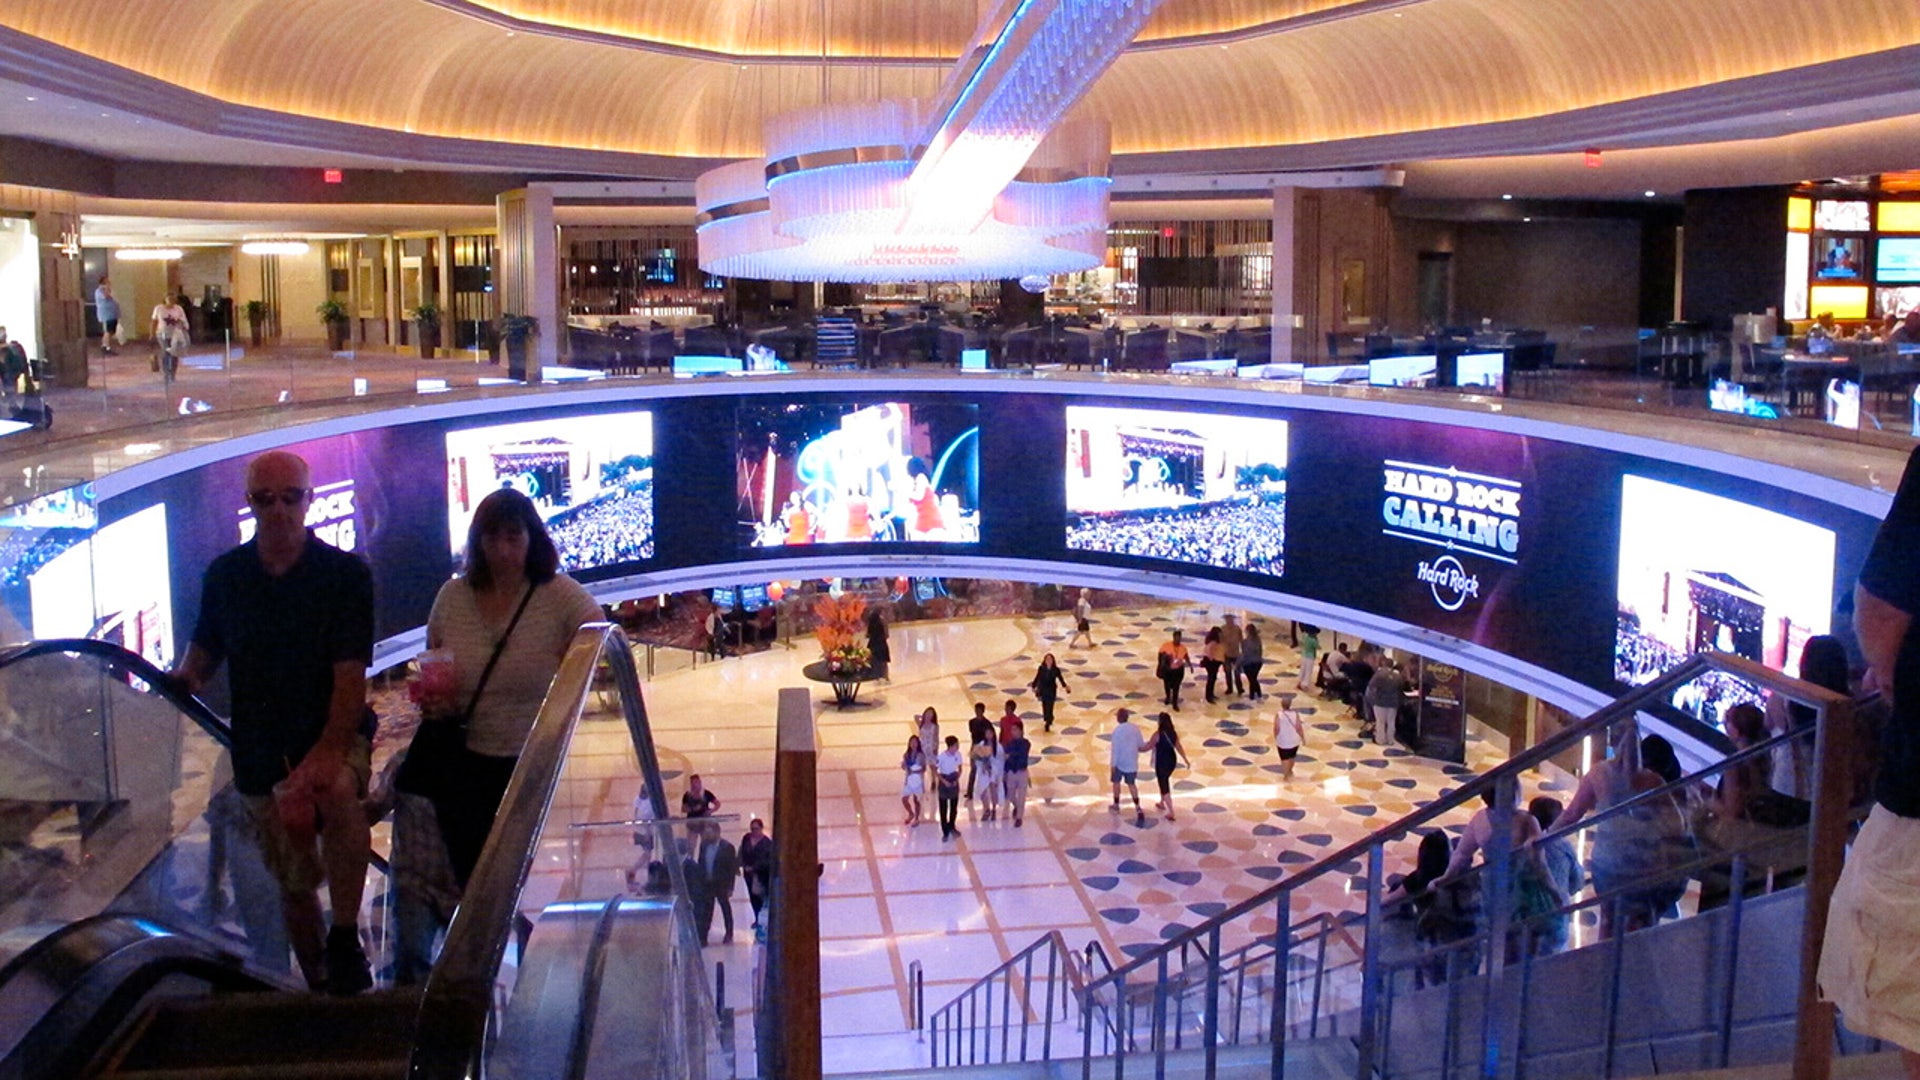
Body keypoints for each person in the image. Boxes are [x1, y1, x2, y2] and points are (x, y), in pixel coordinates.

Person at [171, 450, 376, 994]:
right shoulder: (226, 576)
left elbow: (350, 676)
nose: (279, 510)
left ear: (309, 500)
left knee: (336, 790)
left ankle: (346, 935)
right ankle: (320, 990)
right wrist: (187, 677)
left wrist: (329, 751)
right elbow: (206, 648)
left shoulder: (344, 576)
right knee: (292, 883)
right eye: (266, 499)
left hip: (328, 733)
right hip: (263, 752)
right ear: (250, 504)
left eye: (291, 497)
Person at [421, 488, 602, 888]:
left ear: (531, 539)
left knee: (512, 874)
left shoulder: (556, 595)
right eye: (491, 538)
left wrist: (567, 686)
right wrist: (435, 698)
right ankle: (481, 947)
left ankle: (504, 943)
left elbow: (602, 638)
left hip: (527, 762)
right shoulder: (452, 598)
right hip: (463, 760)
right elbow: (433, 663)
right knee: (472, 877)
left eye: (513, 537)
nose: (502, 550)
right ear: (477, 541)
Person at [1558, 720, 1673, 939]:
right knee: (1639, 922)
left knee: (1608, 918)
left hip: (1608, 861)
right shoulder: (1653, 780)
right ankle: (1632, 964)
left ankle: (1604, 965)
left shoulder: (1598, 773)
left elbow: (1571, 815)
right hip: (1642, 861)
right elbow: (1673, 823)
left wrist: (1546, 836)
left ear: (1613, 739)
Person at [1765, 635, 1849, 800]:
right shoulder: (1848, 706)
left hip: (1786, 787)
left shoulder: (1782, 699)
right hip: (1828, 796)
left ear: (1805, 663)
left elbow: (1767, 726)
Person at [1529, 797, 1583, 954]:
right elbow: (1577, 882)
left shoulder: (1517, 845)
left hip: (1522, 913)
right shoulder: (1563, 847)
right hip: (1555, 916)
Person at [696, 825, 740, 944]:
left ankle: (729, 933)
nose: (707, 836)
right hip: (707, 883)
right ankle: (703, 935)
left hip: (721, 883)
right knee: (707, 910)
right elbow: (701, 863)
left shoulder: (727, 847)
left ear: (717, 832)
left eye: (710, 833)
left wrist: (730, 887)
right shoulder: (704, 846)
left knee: (725, 908)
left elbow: (731, 869)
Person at [1145, 712, 1192, 821]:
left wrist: (1136, 748)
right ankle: (1162, 802)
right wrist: (1185, 759)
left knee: (1163, 783)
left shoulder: (1157, 734)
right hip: (1171, 761)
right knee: (1164, 780)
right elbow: (1179, 747)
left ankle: (1171, 811)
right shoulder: (1173, 734)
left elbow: (1149, 746)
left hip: (1161, 762)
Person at [1109, 708, 1147, 826]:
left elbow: (1115, 750)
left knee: (1116, 783)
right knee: (1132, 785)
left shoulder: (1117, 731)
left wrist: (1113, 764)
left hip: (1120, 762)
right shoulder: (1135, 729)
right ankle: (1138, 807)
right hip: (1132, 762)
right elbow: (1141, 744)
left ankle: (1116, 804)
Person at [739, 819, 773, 929]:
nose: (754, 831)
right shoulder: (747, 839)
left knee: (762, 897)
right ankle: (757, 918)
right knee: (752, 897)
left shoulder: (767, 843)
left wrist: (754, 868)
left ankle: (764, 920)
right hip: (748, 875)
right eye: (752, 829)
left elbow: (767, 861)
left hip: (761, 875)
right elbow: (742, 852)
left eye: (756, 829)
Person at [1364, 659, 1406, 746]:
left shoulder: (1379, 674)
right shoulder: (1397, 676)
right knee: (1391, 721)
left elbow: (1371, 687)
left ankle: (1380, 740)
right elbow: (1401, 687)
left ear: (1383, 663)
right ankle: (1390, 740)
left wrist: (1371, 700)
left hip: (1380, 701)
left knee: (1380, 722)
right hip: (1393, 702)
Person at [151, 292, 189, 384]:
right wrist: (151, 333)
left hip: (175, 335)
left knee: (174, 354)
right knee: (166, 352)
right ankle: (166, 373)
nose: (171, 301)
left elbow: (183, 320)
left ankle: (172, 374)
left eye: (173, 300)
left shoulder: (178, 309)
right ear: (165, 299)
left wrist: (182, 325)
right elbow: (154, 321)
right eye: (169, 299)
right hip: (162, 334)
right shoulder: (158, 309)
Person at [1028, 653, 1071, 732]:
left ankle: (1048, 720)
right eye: (1047, 659)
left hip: (1051, 690)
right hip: (1043, 690)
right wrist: (1033, 686)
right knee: (1044, 705)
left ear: (1052, 660)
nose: (1048, 661)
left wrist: (1065, 687)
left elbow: (1061, 679)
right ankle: (1047, 718)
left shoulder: (1056, 669)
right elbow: (1037, 677)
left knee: (1050, 706)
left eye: (1050, 659)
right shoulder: (1041, 668)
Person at [1003, 721, 1033, 827]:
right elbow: (1005, 758)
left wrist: (1010, 755)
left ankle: (1019, 817)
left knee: (1022, 795)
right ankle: (1016, 806)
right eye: (1012, 730)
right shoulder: (1009, 744)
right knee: (1010, 795)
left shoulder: (1026, 743)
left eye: (1015, 729)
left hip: (1022, 771)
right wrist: (1005, 772)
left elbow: (1020, 753)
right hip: (1011, 771)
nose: (1012, 732)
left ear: (1020, 731)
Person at [936, 736, 964, 841]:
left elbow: (960, 767)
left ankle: (952, 826)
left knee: (953, 807)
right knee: (943, 808)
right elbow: (936, 770)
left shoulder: (958, 755)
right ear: (950, 746)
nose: (957, 747)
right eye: (956, 745)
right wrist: (944, 781)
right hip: (944, 779)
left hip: (953, 778)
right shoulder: (942, 756)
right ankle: (945, 831)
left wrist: (957, 778)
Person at [1273, 693, 1305, 780]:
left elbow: (1276, 727)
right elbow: (1299, 727)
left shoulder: (1279, 715)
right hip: (1294, 740)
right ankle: (1290, 770)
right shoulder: (1295, 714)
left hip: (1283, 740)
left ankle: (1286, 775)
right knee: (1292, 756)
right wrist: (1303, 738)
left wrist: (1275, 736)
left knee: (1284, 758)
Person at [965, 702, 993, 801]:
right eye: (976, 710)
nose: (978, 712)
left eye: (979, 710)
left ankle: (985, 790)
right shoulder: (972, 722)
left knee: (983, 769)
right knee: (973, 769)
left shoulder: (987, 723)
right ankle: (969, 791)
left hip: (983, 747)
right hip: (975, 745)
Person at [1156, 630, 1191, 711]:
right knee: (1167, 685)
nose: (1178, 639)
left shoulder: (1183, 648)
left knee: (1176, 687)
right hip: (1168, 670)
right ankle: (1168, 697)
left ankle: (1175, 703)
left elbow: (1186, 656)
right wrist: (1161, 666)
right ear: (1173, 637)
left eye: (1179, 638)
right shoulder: (1166, 646)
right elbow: (1160, 656)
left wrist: (1190, 665)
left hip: (1178, 670)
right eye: (1176, 637)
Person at [972, 735, 1003, 821]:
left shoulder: (998, 746)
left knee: (993, 791)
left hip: (994, 772)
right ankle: (986, 808)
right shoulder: (981, 744)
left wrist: (995, 769)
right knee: (982, 791)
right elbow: (976, 758)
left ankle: (993, 809)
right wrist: (983, 765)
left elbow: (1000, 760)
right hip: (984, 772)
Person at [900, 735, 926, 826]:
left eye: (915, 742)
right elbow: (904, 766)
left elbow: (923, 769)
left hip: (917, 780)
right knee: (904, 799)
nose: (913, 744)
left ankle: (917, 818)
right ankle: (911, 813)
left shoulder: (921, 755)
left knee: (916, 800)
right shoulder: (906, 755)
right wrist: (904, 766)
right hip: (909, 780)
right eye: (912, 742)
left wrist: (914, 771)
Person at [1220, 613, 1245, 696]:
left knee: (1237, 672)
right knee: (1227, 672)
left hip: (1236, 654)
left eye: (1231, 619)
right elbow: (1220, 641)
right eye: (1228, 619)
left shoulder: (1237, 629)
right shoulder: (1222, 629)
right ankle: (1229, 688)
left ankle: (1239, 688)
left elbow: (1241, 640)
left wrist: (1243, 652)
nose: (1229, 621)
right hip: (1226, 654)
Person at [94, 277, 120, 354]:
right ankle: (106, 347)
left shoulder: (109, 290)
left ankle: (105, 345)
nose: (109, 283)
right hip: (106, 314)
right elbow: (105, 296)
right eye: (107, 282)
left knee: (112, 331)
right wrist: (107, 289)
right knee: (108, 331)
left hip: (112, 314)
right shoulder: (99, 291)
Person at [1199, 626, 1225, 704]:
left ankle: (1211, 694)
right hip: (1212, 663)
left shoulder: (1213, 642)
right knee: (1211, 679)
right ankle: (1208, 696)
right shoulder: (1213, 643)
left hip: (1213, 662)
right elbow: (1210, 652)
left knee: (1212, 679)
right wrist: (1212, 660)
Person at [0, 327, 26, 402]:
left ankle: (11, 401)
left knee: (10, 388)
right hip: (9, 373)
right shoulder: (11, 348)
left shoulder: (11, 348)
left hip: (9, 373)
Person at [1241, 623, 1266, 700]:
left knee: (1252, 679)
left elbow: (1244, 654)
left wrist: (1238, 663)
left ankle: (1253, 695)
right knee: (1253, 679)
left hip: (1248, 663)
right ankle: (1258, 694)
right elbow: (1260, 652)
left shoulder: (1245, 642)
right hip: (1258, 663)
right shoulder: (1258, 640)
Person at [917, 707, 940, 788]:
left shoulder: (935, 726)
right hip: (922, 746)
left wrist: (936, 748)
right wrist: (923, 717)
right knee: (922, 766)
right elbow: (915, 716)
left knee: (932, 766)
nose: (929, 715)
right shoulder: (921, 724)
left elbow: (936, 738)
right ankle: (921, 782)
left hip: (930, 747)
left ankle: (933, 781)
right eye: (927, 713)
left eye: (931, 714)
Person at [866, 607, 891, 680]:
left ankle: (874, 674)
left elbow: (868, 634)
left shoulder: (871, 621)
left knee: (874, 659)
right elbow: (886, 634)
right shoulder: (882, 621)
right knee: (883, 660)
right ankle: (884, 675)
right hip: (881, 643)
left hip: (873, 643)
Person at [1296, 624, 1320, 694]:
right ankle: (1304, 685)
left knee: (1303, 669)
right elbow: (1317, 647)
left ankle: (1300, 682)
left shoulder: (1305, 636)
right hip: (1310, 656)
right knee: (1308, 671)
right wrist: (1316, 639)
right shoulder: (1313, 640)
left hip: (1304, 654)